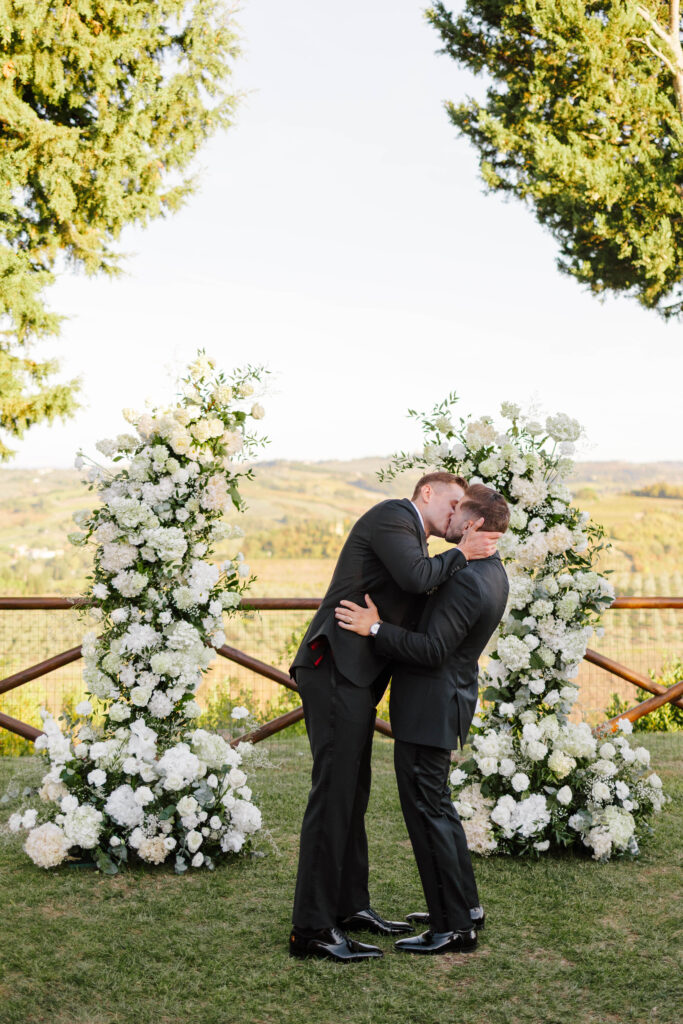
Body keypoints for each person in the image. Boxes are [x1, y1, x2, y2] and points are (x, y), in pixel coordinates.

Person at [288, 472, 502, 963]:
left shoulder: (417, 538)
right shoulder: (393, 516)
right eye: (451, 504)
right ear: (427, 493)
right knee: (333, 796)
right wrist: (462, 554)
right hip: (334, 670)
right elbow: (414, 579)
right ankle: (312, 929)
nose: (454, 515)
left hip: (357, 679)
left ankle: (350, 906)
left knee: (353, 793)